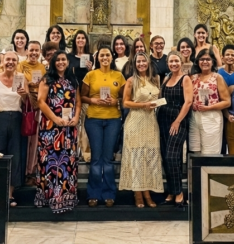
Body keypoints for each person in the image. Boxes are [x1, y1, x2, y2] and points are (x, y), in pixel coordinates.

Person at [35, 51, 81, 213]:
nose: (61, 62)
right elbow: (41, 102)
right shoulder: (47, 79)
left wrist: (75, 118)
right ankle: (50, 197)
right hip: (50, 128)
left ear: (68, 62)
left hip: (69, 128)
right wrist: (55, 119)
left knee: (67, 162)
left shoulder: (73, 80)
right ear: (53, 62)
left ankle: (66, 196)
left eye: (64, 60)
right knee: (50, 162)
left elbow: (78, 103)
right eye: (58, 60)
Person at [81, 47, 125, 207]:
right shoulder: (90, 75)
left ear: (111, 57)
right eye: (102, 55)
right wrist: (93, 101)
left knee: (107, 158)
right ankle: (93, 194)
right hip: (94, 120)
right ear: (97, 58)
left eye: (107, 55)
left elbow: (124, 97)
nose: (105, 57)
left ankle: (109, 194)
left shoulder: (118, 76)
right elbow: (82, 96)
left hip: (113, 120)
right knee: (96, 158)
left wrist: (116, 102)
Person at [120, 52, 163, 208]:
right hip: (136, 120)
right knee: (137, 157)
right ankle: (138, 193)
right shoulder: (131, 81)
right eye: (138, 62)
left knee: (149, 157)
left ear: (148, 62)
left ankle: (147, 192)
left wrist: (157, 104)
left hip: (151, 122)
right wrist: (143, 105)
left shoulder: (155, 79)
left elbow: (157, 99)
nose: (141, 64)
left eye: (144, 61)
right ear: (135, 63)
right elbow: (125, 103)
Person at [0, 51, 27, 206]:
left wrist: (24, 94)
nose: (10, 62)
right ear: (2, 61)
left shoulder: (21, 78)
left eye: (14, 60)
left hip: (17, 118)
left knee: (15, 156)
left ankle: (10, 194)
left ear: (17, 62)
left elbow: (27, 102)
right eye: (8, 59)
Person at [158, 51, 193, 207]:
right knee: (167, 157)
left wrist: (177, 121)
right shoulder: (166, 78)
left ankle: (179, 192)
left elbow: (188, 102)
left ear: (181, 62)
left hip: (178, 120)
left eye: (176, 61)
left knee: (173, 155)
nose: (173, 64)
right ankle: (172, 191)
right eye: (171, 61)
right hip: (163, 119)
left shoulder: (185, 79)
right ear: (168, 63)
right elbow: (161, 99)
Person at [189, 49, 231, 155]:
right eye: (202, 59)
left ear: (212, 61)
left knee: (210, 153)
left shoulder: (217, 77)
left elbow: (227, 102)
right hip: (194, 117)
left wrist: (209, 107)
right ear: (198, 61)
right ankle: (197, 172)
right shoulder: (193, 78)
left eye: (208, 59)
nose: (205, 62)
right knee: (195, 151)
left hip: (212, 117)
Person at [18, 41, 47, 186]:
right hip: (25, 106)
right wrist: (29, 85)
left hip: (38, 106)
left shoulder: (42, 67)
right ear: (27, 51)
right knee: (25, 140)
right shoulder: (21, 65)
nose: (34, 53)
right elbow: (17, 82)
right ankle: (22, 172)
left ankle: (32, 171)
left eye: (37, 50)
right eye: (31, 50)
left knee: (35, 141)